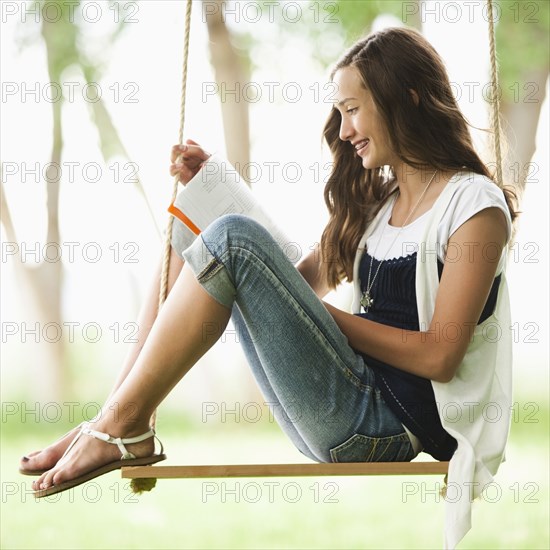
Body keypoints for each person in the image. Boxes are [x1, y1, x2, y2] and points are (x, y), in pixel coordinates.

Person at [21, 26, 516, 547]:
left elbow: (440, 356)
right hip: (339, 400)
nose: (344, 131)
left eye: (353, 109)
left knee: (231, 239)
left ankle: (120, 425)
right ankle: (117, 418)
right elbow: (294, 285)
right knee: (189, 224)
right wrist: (215, 189)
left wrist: (319, 315)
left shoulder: (473, 207)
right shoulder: (379, 205)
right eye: (341, 114)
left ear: (407, 98)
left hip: (380, 424)